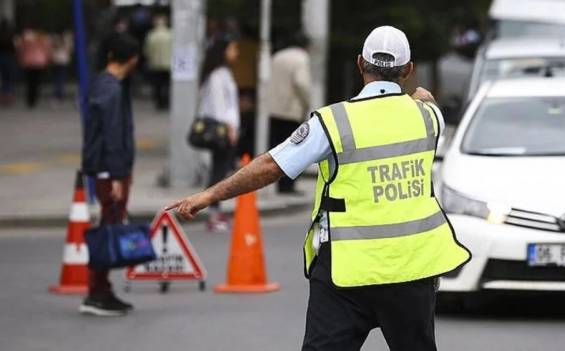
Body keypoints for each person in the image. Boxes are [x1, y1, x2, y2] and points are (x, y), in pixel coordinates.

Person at [167, 26, 471, 350]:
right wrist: (418, 97)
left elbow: (272, 166)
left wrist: (210, 194)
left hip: (346, 271)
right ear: (409, 70)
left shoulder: (333, 122)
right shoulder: (428, 117)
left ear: (359, 64)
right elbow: (417, 103)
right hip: (412, 269)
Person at [80, 34, 140, 316]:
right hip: (109, 170)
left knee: (109, 225)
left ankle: (101, 290)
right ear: (132, 59)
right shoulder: (112, 90)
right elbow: (113, 136)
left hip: (106, 168)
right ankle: (97, 293)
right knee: (108, 229)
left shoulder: (102, 83)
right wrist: (117, 176)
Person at [197, 33, 241, 232]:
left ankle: (216, 211)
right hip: (222, 130)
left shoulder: (222, 73)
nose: (236, 53)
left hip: (226, 129)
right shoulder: (217, 75)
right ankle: (213, 213)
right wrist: (230, 128)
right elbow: (219, 107)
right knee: (219, 171)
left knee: (221, 169)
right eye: (232, 48)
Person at [268, 31, 311, 194]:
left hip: (274, 109)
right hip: (291, 110)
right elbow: (301, 82)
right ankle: (288, 186)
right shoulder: (301, 58)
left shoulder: (277, 56)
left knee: (278, 149)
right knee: (294, 149)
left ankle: (279, 184)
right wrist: (306, 102)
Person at [15, 27, 50, 108]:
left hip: (28, 62)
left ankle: (30, 99)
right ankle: (34, 98)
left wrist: (20, 59)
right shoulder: (42, 38)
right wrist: (47, 59)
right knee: (36, 82)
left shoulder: (26, 38)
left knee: (29, 82)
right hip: (39, 62)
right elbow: (47, 49)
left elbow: (20, 49)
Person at [143, 15, 171, 110]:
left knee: (157, 85)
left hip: (155, 64)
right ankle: (166, 101)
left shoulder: (151, 35)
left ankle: (159, 102)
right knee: (167, 84)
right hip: (168, 64)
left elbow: (147, 51)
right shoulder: (170, 34)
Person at [50, 29, 72, 102]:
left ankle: (57, 93)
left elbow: (51, 48)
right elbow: (69, 49)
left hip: (56, 59)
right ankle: (60, 93)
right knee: (61, 77)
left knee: (56, 78)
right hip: (63, 60)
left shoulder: (54, 38)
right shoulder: (66, 38)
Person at [0, 19, 16, 104]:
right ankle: (8, 95)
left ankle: (3, 95)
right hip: (9, 57)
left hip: (1, 57)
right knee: (9, 77)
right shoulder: (10, 35)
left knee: (3, 77)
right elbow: (13, 47)